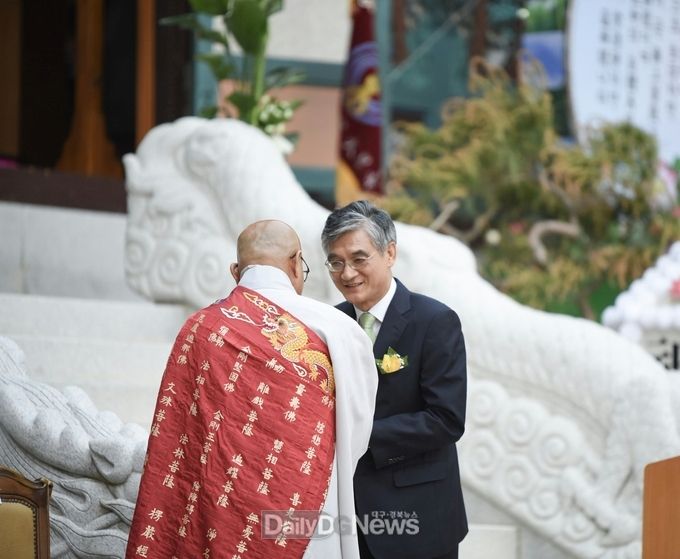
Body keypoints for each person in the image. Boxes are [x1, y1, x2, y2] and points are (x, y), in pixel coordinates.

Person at [126, 220, 378, 559]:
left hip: (214, 510)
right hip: (307, 507)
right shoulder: (337, 329)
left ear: (236, 271)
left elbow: (174, 435)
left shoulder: (201, 327)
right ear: (295, 263)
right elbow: (356, 431)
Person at [321, 201, 468, 559]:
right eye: (336, 262)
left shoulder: (434, 321)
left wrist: (357, 435)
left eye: (359, 258)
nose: (347, 273)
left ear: (389, 253)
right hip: (348, 521)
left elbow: (446, 420)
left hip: (419, 517)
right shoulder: (328, 325)